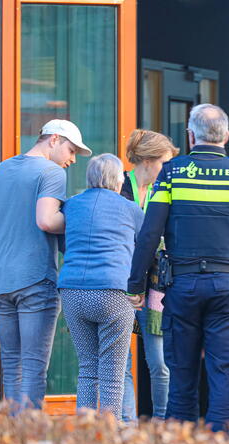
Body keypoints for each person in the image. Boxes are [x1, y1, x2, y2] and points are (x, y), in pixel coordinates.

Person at [126, 104, 229, 431]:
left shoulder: (171, 173)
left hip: (182, 287)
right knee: (224, 373)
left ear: (191, 136)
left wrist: (135, 285)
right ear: (226, 136)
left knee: (181, 375)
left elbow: (149, 234)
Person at [0, 119, 91, 409]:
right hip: (34, 280)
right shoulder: (51, 172)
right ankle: (29, 433)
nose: (72, 159)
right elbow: (46, 220)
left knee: (12, 365)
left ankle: (13, 433)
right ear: (54, 139)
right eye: (71, 150)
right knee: (32, 367)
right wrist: (84, 218)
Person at [58, 153, 144, 420]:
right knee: (113, 374)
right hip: (113, 293)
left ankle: (85, 434)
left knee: (87, 368)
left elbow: (64, 244)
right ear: (118, 181)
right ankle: (109, 435)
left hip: (72, 292)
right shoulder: (130, 208)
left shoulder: (71, 205)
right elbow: (145, 247)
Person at [119, 129, 178, 422]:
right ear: (147, 160)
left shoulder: (164, 190)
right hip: (120, 284)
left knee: (159, 362)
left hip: (154, 286)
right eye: (164, 163)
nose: (167, 170)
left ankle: (161, 422)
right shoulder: (119, 186)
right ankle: (128, 424)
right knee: (122, 362)